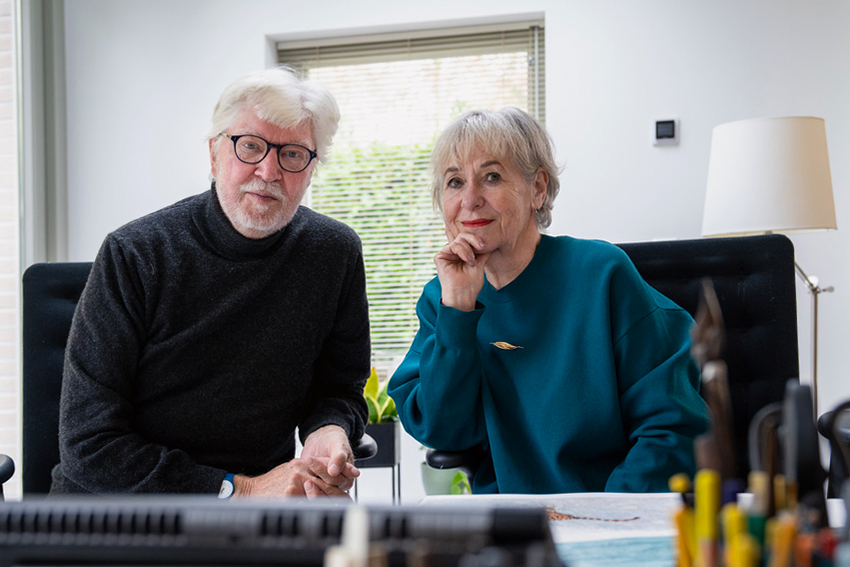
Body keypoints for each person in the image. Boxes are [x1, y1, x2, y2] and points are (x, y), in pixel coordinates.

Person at [50, 67, 371, 499]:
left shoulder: (335, 253)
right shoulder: (134, 254)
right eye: (251, 146)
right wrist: (237, 491)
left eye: (293, 154)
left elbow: (339, 388)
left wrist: (328, 429)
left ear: (311, 169)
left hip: (256, 511)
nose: (269, 171)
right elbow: (88, 446)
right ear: (214, 154)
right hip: (118, 508)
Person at [388, 107, 709, 494]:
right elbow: (445, 432)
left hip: (611, 513)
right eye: (454, 182)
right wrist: (458, 309)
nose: (470, 199)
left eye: (491, 177)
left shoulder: (601, 274)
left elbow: (671, 427)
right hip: (511, 521)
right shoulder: (442, 297)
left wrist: (607, 521)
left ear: (537, 189)